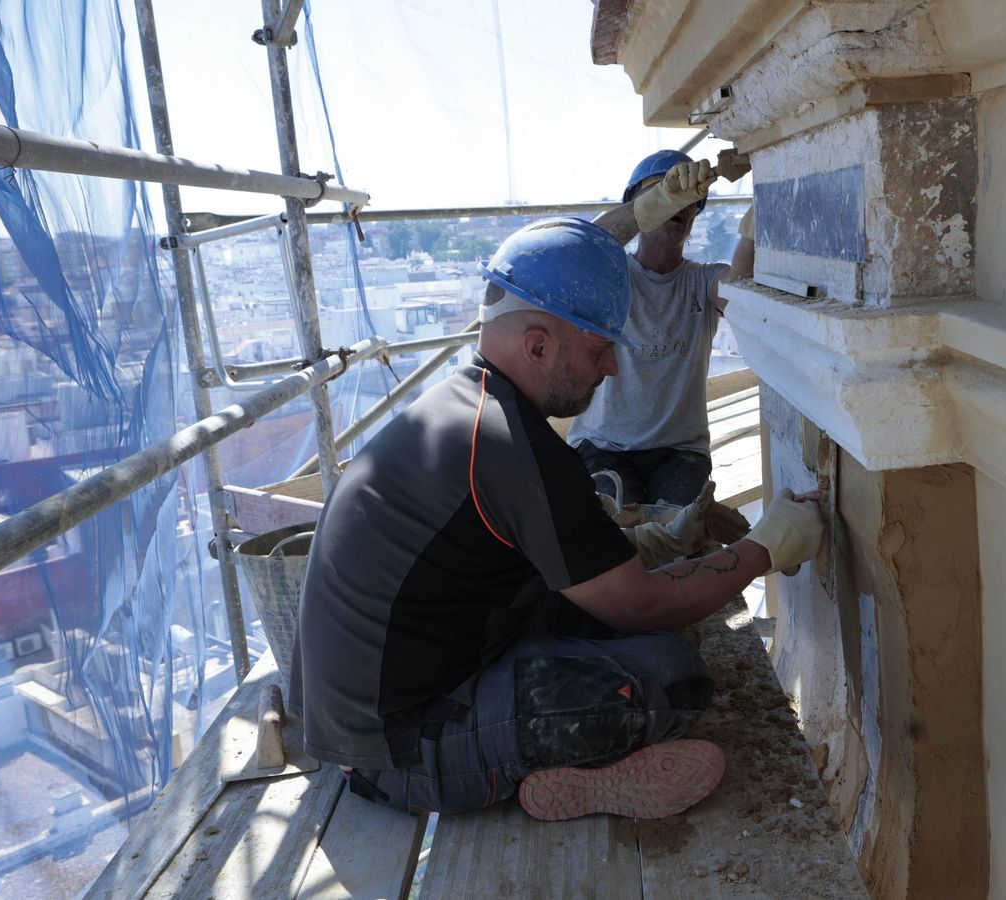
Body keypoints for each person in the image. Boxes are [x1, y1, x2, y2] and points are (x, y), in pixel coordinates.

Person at [289, 217, 822, 823]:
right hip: (399, 750)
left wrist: (659, 542)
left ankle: (544, 756)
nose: (612, 369)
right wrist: (768, 545)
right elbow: (639, 603)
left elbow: (578, 562)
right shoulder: (514, 447)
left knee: (638, 629)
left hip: (377, 705)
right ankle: (557, 778)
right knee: (671, 674)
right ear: (538, 346)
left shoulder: (469, 408)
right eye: (599, 349)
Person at [570, 149, 757, 506]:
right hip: (603, 446)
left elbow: (743, 292)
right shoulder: (612, 276)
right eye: (663, 193)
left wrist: (763, 208)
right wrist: (650, 206)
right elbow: (581, 250)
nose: (680, 205)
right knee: (617, 530)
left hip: (680, 451)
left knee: (677, 537)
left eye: (690, 199)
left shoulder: (701, 282)